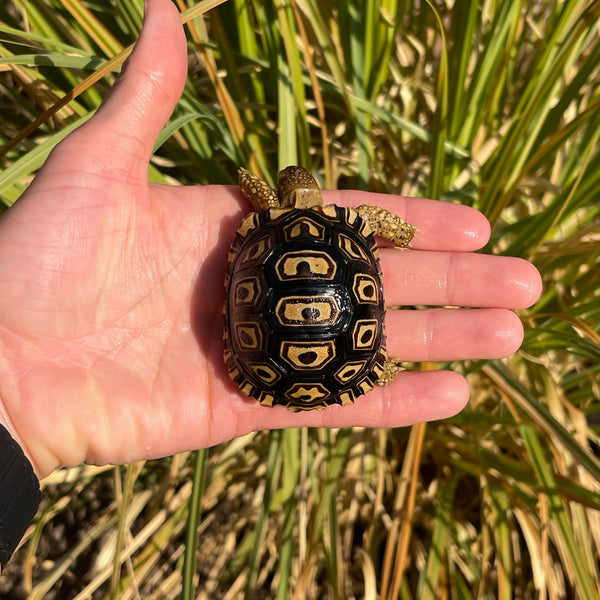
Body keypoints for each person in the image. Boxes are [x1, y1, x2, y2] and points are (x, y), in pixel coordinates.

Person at [0, 0, 542, 568]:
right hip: (322, 358)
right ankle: (371, 364)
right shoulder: (340, 223)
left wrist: (10, 400)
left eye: (285, 185)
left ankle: (369, 363)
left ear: (282, 196)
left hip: (266, 353)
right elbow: (375, 227)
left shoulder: (263, 215)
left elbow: (259, 189)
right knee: (377, 327)